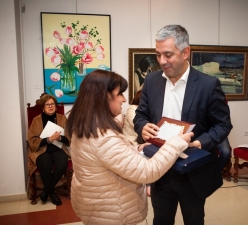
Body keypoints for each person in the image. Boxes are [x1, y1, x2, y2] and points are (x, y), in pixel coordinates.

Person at [66, 69, 194, 225]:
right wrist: (176, 143)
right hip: (113, 212)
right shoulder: (104, 138)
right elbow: (148, 171)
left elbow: (106, 157)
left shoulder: (84, 126)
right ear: (105, 97)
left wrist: (137, 149)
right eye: (120, 94)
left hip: (95, 205)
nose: (123, 99)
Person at [134, 25, 233, 225]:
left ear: (185, 52)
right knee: (161, 219)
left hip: (192, 171)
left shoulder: (208, 85)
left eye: (168, 55)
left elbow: (223, 125)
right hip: (160, 168)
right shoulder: (152, 81)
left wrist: (199, 143)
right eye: (158, 54)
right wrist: (142, 126)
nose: (162, 61)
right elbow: (140, 115)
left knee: (194, 220)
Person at [28, 94, 70, 206]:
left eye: (52, 104)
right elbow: (31, 141)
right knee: (45, 165)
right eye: (47, 104)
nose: (50, 106)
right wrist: (48, 139)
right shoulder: (36, 120)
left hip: (58, 147)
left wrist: (60, 138)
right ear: (43, 107)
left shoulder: (62, 118)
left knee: (62, 164)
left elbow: (70, 137)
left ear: (56, 106)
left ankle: (46, 191)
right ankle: (52, 194)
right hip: (41, 150)